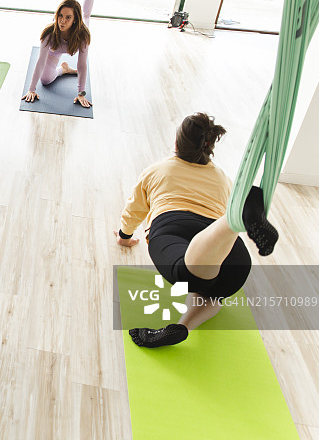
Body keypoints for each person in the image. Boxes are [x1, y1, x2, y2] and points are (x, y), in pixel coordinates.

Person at [115, 113, 278, 348]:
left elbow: (135, 209)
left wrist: (124, 235)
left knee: (189, 274)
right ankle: (181, 328)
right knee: (215, 291)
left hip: (174, 228)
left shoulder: (158, 170)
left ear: (176, 143)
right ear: (209, 146)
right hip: (232, 260)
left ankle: (237, 219)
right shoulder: (222, 178)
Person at [22, 0, 95, 108]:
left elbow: (82, 65)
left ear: (74, 20)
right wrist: (31, 89)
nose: (62, 21)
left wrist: (81, 93)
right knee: (45, 80)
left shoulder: (83, 35)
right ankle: (64, 69)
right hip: (55, 50)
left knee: (86, 14)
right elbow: (40, 62)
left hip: (76, 34)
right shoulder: (48, 34)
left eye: (68, 17)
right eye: (60, 16)